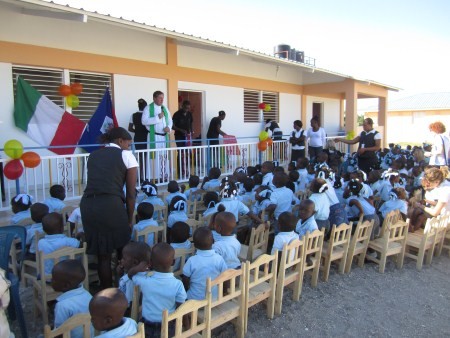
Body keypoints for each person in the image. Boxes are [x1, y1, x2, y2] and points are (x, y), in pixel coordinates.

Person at [80, 127, 138, 289]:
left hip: (88, 205)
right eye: (128, 144)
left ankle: (106, 295)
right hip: (111, 204)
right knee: (122, 253)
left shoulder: (93, 155)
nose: (129, 147)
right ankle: (123, 291)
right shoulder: (126, 155)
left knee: (103, 257)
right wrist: (128, 219)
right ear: (120, 141)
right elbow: (131, 194)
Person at [129, 243, 187, 337]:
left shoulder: (144, 280)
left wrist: (138, 267)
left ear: (150, 263)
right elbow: (181, 308)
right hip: (169, 327)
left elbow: (130, 275)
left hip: (147, 326)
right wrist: (186, 327)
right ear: (173, 262)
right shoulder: (178, 284)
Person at [182, 227, 228, 300]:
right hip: (214, 299)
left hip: (194, 300)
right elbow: (225, 276)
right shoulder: (219, 259)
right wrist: (224, 292)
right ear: (213, 241)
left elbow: (185, 279)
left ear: (195, 245)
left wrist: (185, 291)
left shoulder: (191, 260)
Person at [51, 259, 93, 338]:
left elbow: (60, 332)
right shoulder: (87, 294)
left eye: (54, 279)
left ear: (66, 285)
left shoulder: (62, 305)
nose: (51, 281)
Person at [141, 91, 173, 182]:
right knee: (154, 157)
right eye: (160, 98)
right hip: (153, 137)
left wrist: (169, 127)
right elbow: (144, 121)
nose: (162, 100)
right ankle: (153, 177)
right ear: (154, 98)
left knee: (164, 156)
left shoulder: (165, 108)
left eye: (163, 98)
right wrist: (157, 117)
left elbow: (170, 121)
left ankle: (163, 176)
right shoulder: (148, 108)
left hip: (164, 137)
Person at [117, 241, 151, 311]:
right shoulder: (131, 270)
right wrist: (121, 267)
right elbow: (120, 274)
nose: (121, 260)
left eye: (124, 258)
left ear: (135, 262)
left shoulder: (134, 279)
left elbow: (129, 302)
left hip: (126, 307)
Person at [128, 98, 148, 181]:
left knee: (140, 157)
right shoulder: (147, 115)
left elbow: (130, 128)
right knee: (147, 157)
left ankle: (140, 176)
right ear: (146, 107)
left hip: (138, 138)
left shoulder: (133, 115)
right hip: (147, 138)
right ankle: (145, 176)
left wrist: (137, 131)